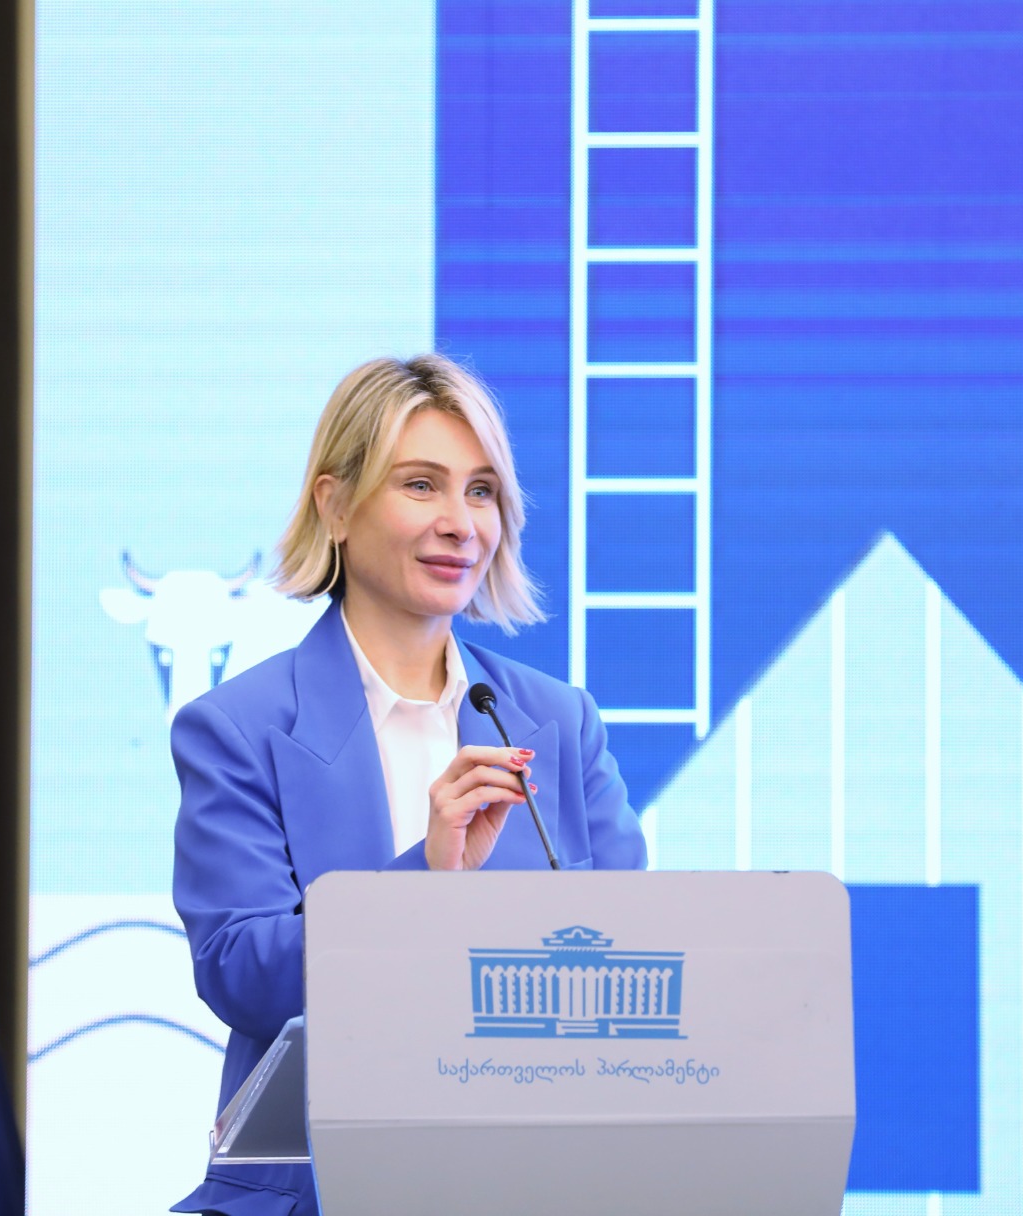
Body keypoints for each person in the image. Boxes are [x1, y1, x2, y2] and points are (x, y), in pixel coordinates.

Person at [169, 354, 647, 1216]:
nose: (460, 524)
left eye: (481, 492)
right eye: (421, 485)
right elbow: (239, 975)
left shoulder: (560, 723)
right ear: (335, 506)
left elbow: (634, 958)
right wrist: (422, 879)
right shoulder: (237, 729)